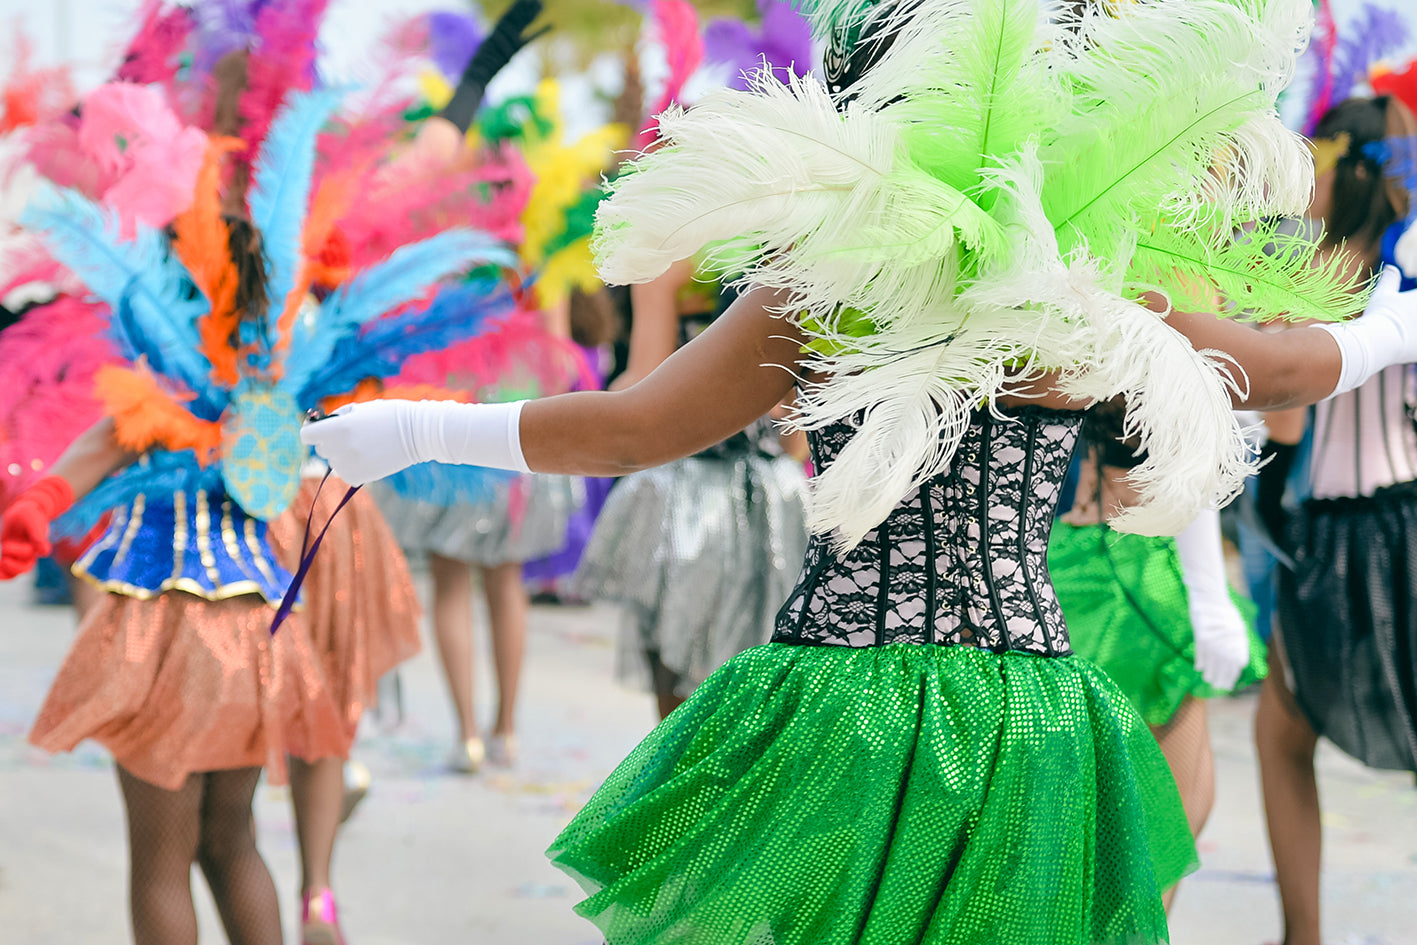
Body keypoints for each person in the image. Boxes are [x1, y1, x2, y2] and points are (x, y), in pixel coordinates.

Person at [301, 1, 1417, 941]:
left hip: (845, 708)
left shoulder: (833, 286)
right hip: (1029, 719)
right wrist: (1396, 327)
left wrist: (413, 432)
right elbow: (1281, 371)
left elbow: (634, 428)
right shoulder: (1085, 289)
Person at [1253, 93, 1417, 945]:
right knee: (1283, 723)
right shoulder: (1396, 253)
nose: (1304, 178)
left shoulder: (1333, 270)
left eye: (1315, 157)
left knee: (1282, 729)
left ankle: (1300, 937)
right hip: (1385, 523)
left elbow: (1282, 428)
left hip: (1354, 526)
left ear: (1351, 165)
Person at [1048, 405, 1266, 910]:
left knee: (1109, 820)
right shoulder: (1157, 332)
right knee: (1166, 818)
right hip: (1137, 569)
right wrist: (1207, 591)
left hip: (1065, 557)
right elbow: (1191, 434)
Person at [572, 262, 809, 719]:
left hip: (683, 494)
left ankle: (678, 783)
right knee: (757, 671)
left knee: (672, 664)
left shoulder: (668, 265)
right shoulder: (792, 262)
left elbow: (641, 402)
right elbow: (794, 438)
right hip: (771, 501)